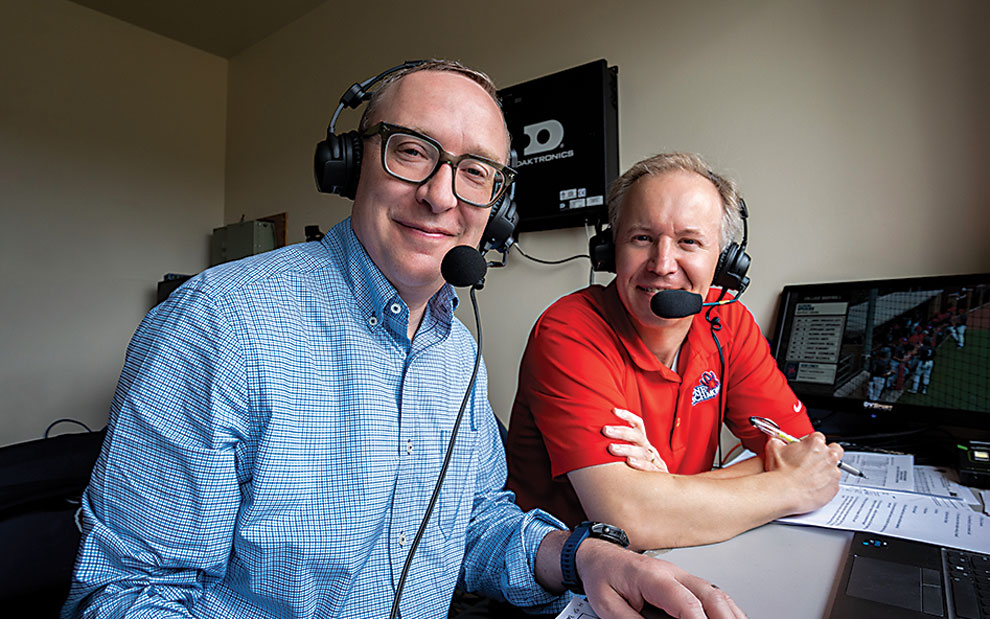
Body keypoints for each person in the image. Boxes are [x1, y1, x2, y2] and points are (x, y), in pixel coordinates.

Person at [61, 62, 744, 619]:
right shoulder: (217, 323)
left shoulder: (458, 355)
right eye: (412, 151)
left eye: (476, 171)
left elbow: (477, 523)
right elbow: (125, 597)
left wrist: (582, 556)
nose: (442, 195)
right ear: (351, 165)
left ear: (496, 211)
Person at [506, 153, 844, 551]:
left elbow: (797, 448)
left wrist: (663, 492)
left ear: (724, 261)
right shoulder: (569, 330)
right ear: (610, 248)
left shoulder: (728, 321)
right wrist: (788, 489)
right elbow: (628, 519)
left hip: (681, 552)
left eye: (689, 242)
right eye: (642, 238)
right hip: (564, 585)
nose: (663, 264)